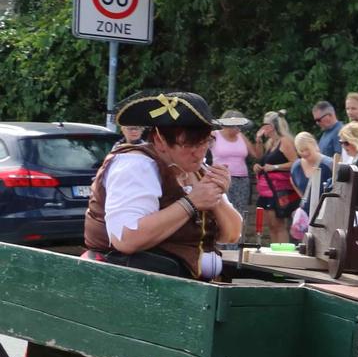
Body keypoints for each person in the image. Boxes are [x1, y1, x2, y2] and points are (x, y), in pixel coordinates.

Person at [83, 92, 241, 279]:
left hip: (189, 284)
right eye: (188, 145)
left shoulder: (200, 170)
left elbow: (231, 235)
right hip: (132, 282)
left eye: (204, 142)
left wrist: (215, 197)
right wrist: (191, 203)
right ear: (159, 140)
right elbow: (126, 239)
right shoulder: (136, 165)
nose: (199, 153)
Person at [253, 111, 297, 243]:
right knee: (271, 226)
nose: (262, 128)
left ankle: (282, 252)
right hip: (266, 190)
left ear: (271, 127)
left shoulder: (285, 142)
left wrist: (275, 167)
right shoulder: (271, 142)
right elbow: (259, 157)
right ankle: (274, 249)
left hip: (278, 190)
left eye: (264, 125)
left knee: (279, 225)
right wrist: (258, 140)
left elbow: (295, 163)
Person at [210, 111, 254, 223]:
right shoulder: (214, 135)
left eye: (240, 126)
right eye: (236, 126)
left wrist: (258, 140)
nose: (239, 129)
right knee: (222, 209)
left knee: (239, 210)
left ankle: (238, 232)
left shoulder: (241, 136)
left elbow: (255, 154)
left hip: (241, 179)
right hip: (220, 177)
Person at [290, 131, 335, 233]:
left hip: (325, 216)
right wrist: (305, 198)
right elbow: (293, 181)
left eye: (307, 149)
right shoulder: (296, 166)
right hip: (306, 216)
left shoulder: (329, 164)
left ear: (314, 144)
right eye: (301, 150)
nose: (304, 153)